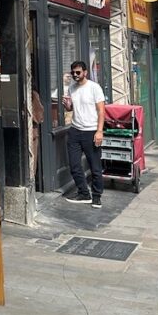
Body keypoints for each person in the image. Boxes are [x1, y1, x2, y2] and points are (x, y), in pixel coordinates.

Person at [63, 60, 105, 208]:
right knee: (74, 165)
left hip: (91, 131)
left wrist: (99, 131)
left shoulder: (94, 88)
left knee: (95, 167)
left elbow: (101, 110)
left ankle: (97, 196)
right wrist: (68, 106)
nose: (75, 75)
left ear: (85, 72)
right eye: (73, 72)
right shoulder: (72, 88)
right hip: (75, 130)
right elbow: (70, 109)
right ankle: (83, 193)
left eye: (78, 72)